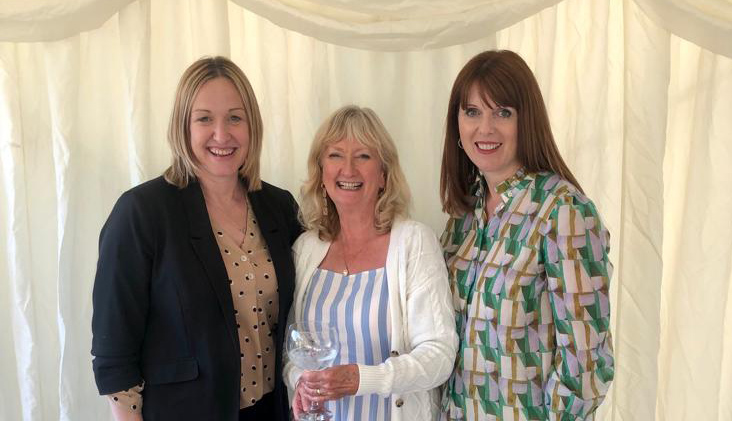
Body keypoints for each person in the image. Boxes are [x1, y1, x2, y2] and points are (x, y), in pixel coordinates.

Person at [91, 56, 302, 421]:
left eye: (235, 117)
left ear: (252, 126)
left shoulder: (278, 207)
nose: (222, 134)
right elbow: (115, 352)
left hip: (273, 411)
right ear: (183, 126)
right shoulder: (142, 212)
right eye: (205, 118)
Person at [439, 50, 614, 420]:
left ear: (527, 120)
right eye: (472, 111)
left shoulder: (562, 211)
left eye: (503, 112)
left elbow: (586, 364)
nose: (485, 128)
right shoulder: (464, 215)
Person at [284, 105, 457, 421]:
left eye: (363, 156)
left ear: (383, 174)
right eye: (336, 155)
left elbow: (438, 356)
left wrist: (361, 379)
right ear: (321, 173)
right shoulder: (305, 249)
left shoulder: (414, 242)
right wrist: (299, 384)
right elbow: (293, 354)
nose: (348, 169)